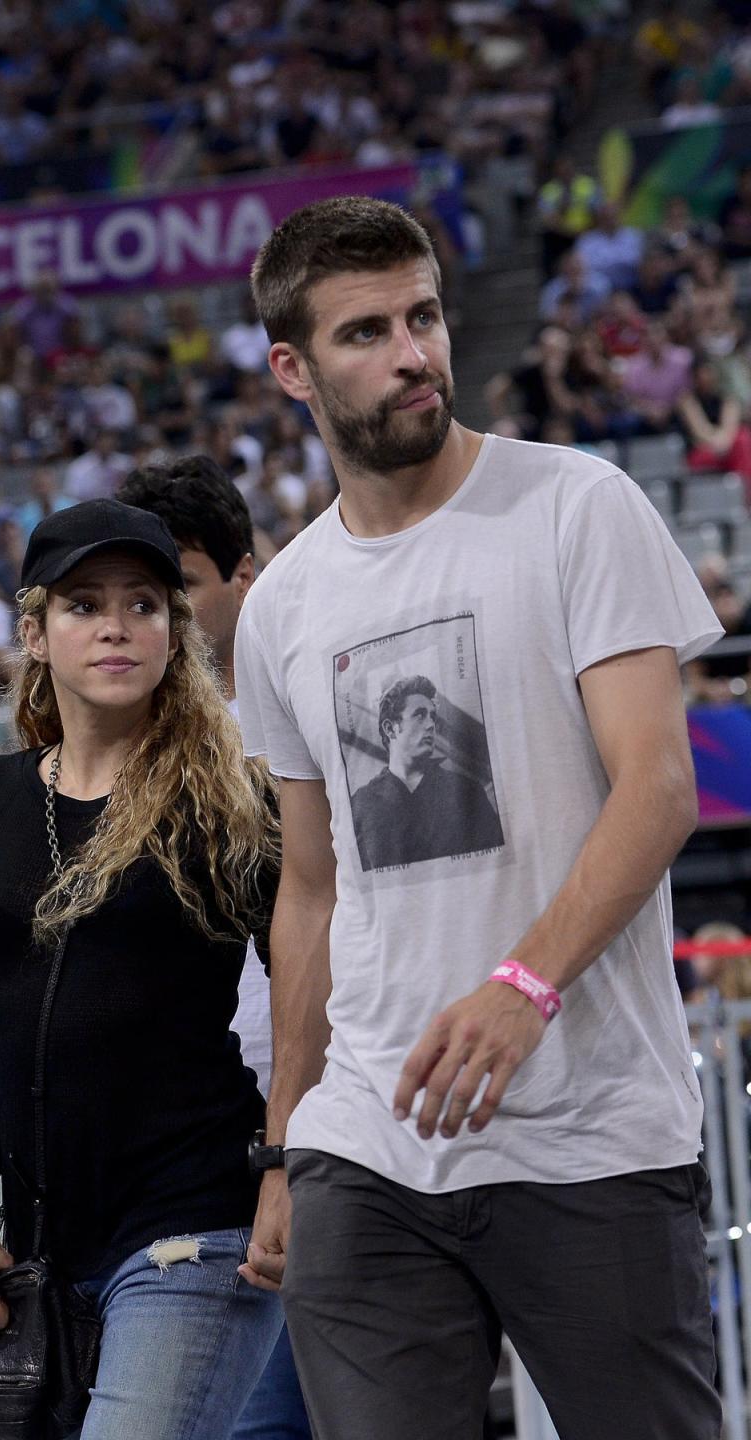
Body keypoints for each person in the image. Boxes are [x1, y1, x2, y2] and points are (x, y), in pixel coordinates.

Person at [234, 195, 723, 1440]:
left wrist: (525, 984)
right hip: (367, 1146)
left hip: (590, 1129)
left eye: (425, 316)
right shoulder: (284, 604)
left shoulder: (576, 505)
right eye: (366, 333)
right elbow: (311, 887)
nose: (413, 354)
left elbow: (659, 786)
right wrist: (288, 1144)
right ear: (292, 368)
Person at [0, 498, 283, 1439]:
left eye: (143, 603)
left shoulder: (236, 801)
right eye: (85, 604)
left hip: (195, 1225)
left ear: (176, 633)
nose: (117, 626)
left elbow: (318, 989)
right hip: (36, 1248)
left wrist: (288, 1166)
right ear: (36, 633)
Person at [118, 457, 312, 1440]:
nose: (167, 618)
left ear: (245, 574)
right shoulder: (117, 753)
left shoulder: (304, 718)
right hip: (194, 1145)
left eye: (183, 586)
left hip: (317, 1115)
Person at [350, 675, 503, 870]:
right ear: (390, 728)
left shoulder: (468, 790)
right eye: (420, 715)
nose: (431, 725)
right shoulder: (362, 804)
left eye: (433, 717)